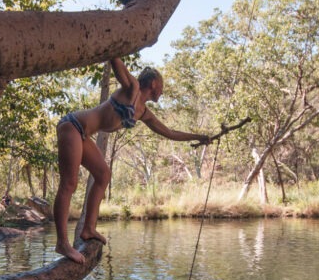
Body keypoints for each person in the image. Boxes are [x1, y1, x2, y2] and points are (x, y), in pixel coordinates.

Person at [54, 58, 210, 262]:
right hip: (72, 126)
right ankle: (62, 243)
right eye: (161, 86)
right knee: (69, 183)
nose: (162, 91)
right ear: (153, 83)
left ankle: (88, 229)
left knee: (103, 175)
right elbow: (115, 59)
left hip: (83, 134)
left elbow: (169, 132)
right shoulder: (132, 88)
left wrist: (198, 137)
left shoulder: (143, 112)